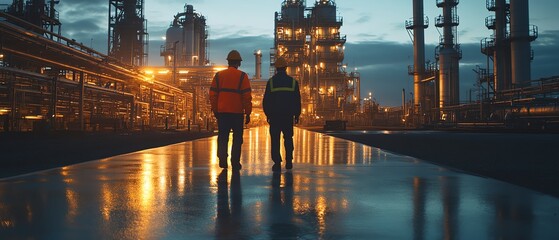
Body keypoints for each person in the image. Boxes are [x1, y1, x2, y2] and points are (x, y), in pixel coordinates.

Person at [209, 50, 252, 170]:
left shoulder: (219, 75)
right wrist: (248, 113)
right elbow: (246, 97)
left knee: (223, 137)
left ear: (228, 61)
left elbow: (212, 94)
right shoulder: (243, 76)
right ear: (239, 63)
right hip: (237, 113)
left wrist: (215, 110)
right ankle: (235, 162)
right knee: (237, 138)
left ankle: (222, 159)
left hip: (222, 113)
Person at [263, 57, 301, 171]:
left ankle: (277, 162)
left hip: (275, 116)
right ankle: (289, 161)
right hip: (288, 116)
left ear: (276, 68)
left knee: (275, 139)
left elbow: (266, 101)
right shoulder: (293, 82)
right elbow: (297, 100)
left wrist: (268, 115)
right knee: (288, 138)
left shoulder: (271, 82)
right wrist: (297, 115)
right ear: (286, 68)